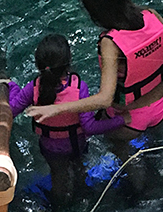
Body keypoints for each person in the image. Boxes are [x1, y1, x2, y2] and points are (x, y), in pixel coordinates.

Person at [26, 0, 163, 136]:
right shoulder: (152, 15)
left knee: (124, 159)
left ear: (92, 8)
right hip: (160, 108)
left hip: (129, 118)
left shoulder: (111, 42)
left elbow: (105, 99)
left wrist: (56, 109)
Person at [8, 33, 126, 205]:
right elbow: (90, 127)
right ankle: (82, 197)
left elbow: (11, 110)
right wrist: (121, 120)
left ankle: (59, 205)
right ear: (69, 62)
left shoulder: (33, 87)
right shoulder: (79, 88)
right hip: (76, 145)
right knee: (79, 169)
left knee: (58, 176)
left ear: (39, 65)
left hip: (50, 149)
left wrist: (11, 87)